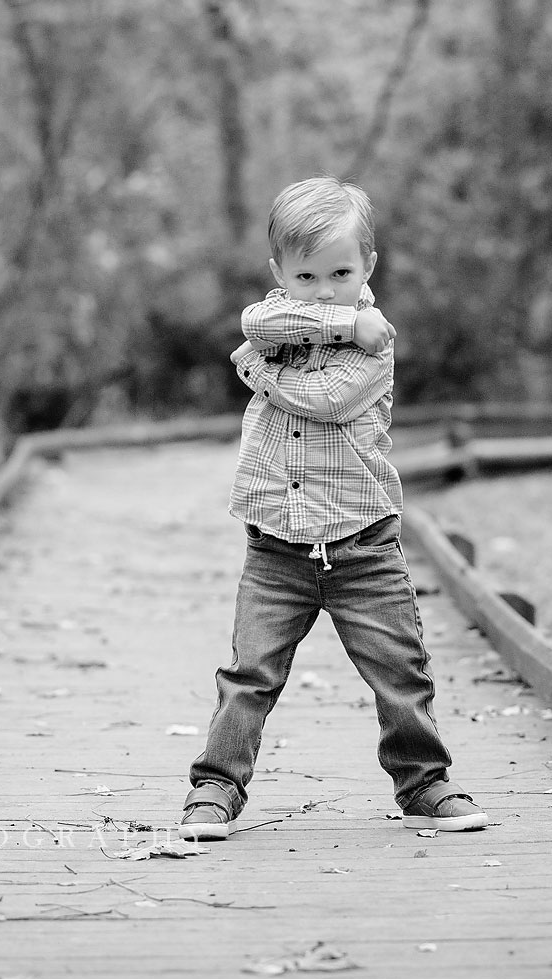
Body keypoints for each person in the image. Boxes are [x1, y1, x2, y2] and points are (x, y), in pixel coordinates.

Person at [178, 176, 487, 841]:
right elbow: (253, 323)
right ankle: (215, 786)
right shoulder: (292, 316)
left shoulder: (378, 342)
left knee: (399, 670)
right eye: (306, 275)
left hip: (362, 545)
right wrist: (338, 317)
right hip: (276, 547)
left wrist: (259, 372)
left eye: (341, 274)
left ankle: (425, 781)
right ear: (279, 272)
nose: (323, 289)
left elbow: (323, 400)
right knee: (249, 671)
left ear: (368, 266)